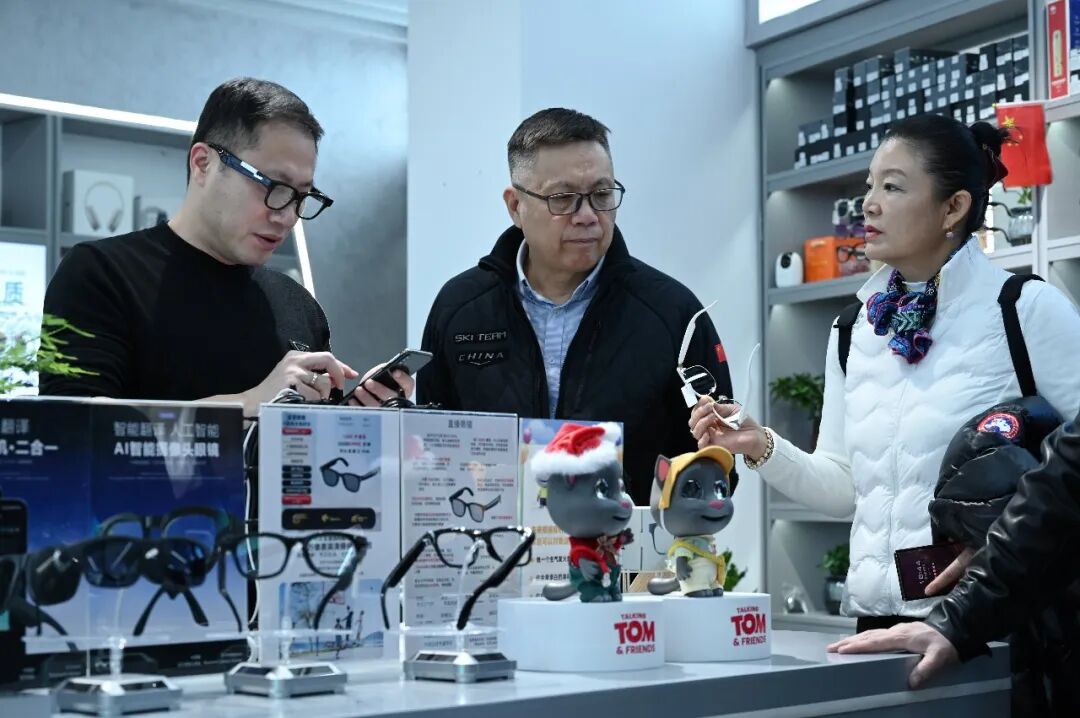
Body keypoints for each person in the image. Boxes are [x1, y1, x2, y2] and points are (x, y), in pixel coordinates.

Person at [690, 113, 1080, 630]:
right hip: (877, 623)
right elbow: (843, 488)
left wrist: (1003, 551)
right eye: (870, 185)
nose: (869, 203)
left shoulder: (1024, 310)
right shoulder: (854, 329)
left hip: (992, 623)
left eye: (892, 187)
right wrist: (760, 444)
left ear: (954, 207)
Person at [418, 108, 732, 502]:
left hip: (626, 539)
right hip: (489, 536)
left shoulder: (672, 312)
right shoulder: (461, 309)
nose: (587, 216)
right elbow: (432, 450)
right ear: (515, 206)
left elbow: (716, 466)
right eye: (563, 198)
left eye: (601, 195)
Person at [39, 77, 410, 411]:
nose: (287, 215)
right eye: (274, 187)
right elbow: (73, 429)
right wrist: (250, 404)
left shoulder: (298, 305)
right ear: (203, 163)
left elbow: (302, 450)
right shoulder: (101, 274)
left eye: (301, 196)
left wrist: (355, 419)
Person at [827, 411, 1080, 710]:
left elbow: (1057, 491)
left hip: (994, 600)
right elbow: (1061, 487)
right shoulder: (851, 374)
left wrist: (990, 535)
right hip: (941, 603)